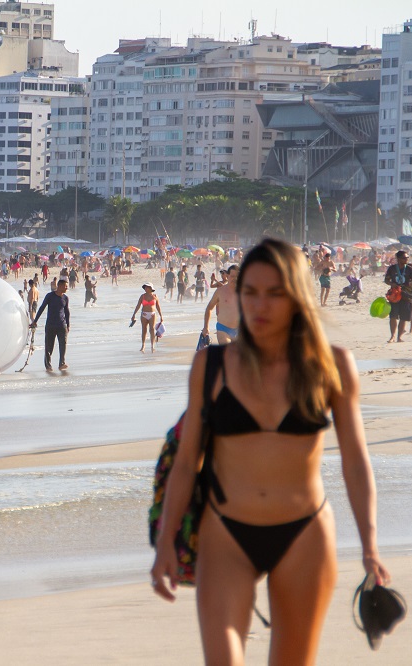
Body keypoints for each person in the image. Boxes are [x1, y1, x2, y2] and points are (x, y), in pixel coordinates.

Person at [151, 238, 389, 665]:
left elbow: (355, 462)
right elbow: (188, 462)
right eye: (250, 292)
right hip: (225, 532)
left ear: (297, 296)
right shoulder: (212, 367)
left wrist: (369, 546)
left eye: (274, 293)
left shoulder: (331, 365)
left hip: (305, 534)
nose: (259, 306)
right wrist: (166, 541)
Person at [30, 279, 70, 371]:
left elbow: (67, 312)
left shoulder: (65, 298)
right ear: (60, 286)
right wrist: (35, 321)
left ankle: (62, 364)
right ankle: (48, 366)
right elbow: (42, 308)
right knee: (49, 346)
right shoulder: (50, 296)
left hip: (62, 325)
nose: (66, 288)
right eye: (65, 286)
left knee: (63, 345)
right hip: (50, 325)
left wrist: (68, 325)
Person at [384, 250, 412, 343]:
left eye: (407, 257)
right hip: (394, 296)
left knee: (404, 318)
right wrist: (392, 283)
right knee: (393, 316)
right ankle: (392, 336)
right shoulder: (392, 268)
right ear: (398, 259)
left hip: (407, 296)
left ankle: (399, 337)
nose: (406, 259)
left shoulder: (409, 269)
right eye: (404, 258)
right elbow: (386, 280)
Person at [202, 264, 240, 344]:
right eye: (232, 276)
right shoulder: (220, 291)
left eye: (237, 276)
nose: (235, 279)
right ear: (227, 276)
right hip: (223, 329)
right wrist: (206, 327)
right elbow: (209, 308)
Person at [130, 284, 163, 353]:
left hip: (152, 314)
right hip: (144, 314)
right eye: (145, 287)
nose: (145, 288)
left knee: (152, 330)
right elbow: (138, 305)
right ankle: (143, 345)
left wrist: (161, 316)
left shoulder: (155, 296)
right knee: (144, 330)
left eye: (147, 287)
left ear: (151, 288)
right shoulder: (142, 296)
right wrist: (134, 314)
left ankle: (152, 346)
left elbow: (158, 306)